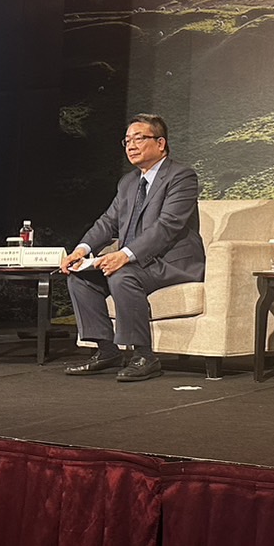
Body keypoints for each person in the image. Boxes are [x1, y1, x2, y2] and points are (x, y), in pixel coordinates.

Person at [60, 113, 204, 382]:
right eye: (127, 141)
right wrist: (82, 249)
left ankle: (144, 356)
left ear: (160, 143)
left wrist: (124, 255)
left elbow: (168, 225)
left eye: (139, 139)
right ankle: (106, 351)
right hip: (138, 262)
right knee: (80, 277)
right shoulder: (128, 182)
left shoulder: (181, 176)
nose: (131, 146)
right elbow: (108, 222)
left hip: (171, 262)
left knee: (122, 275)